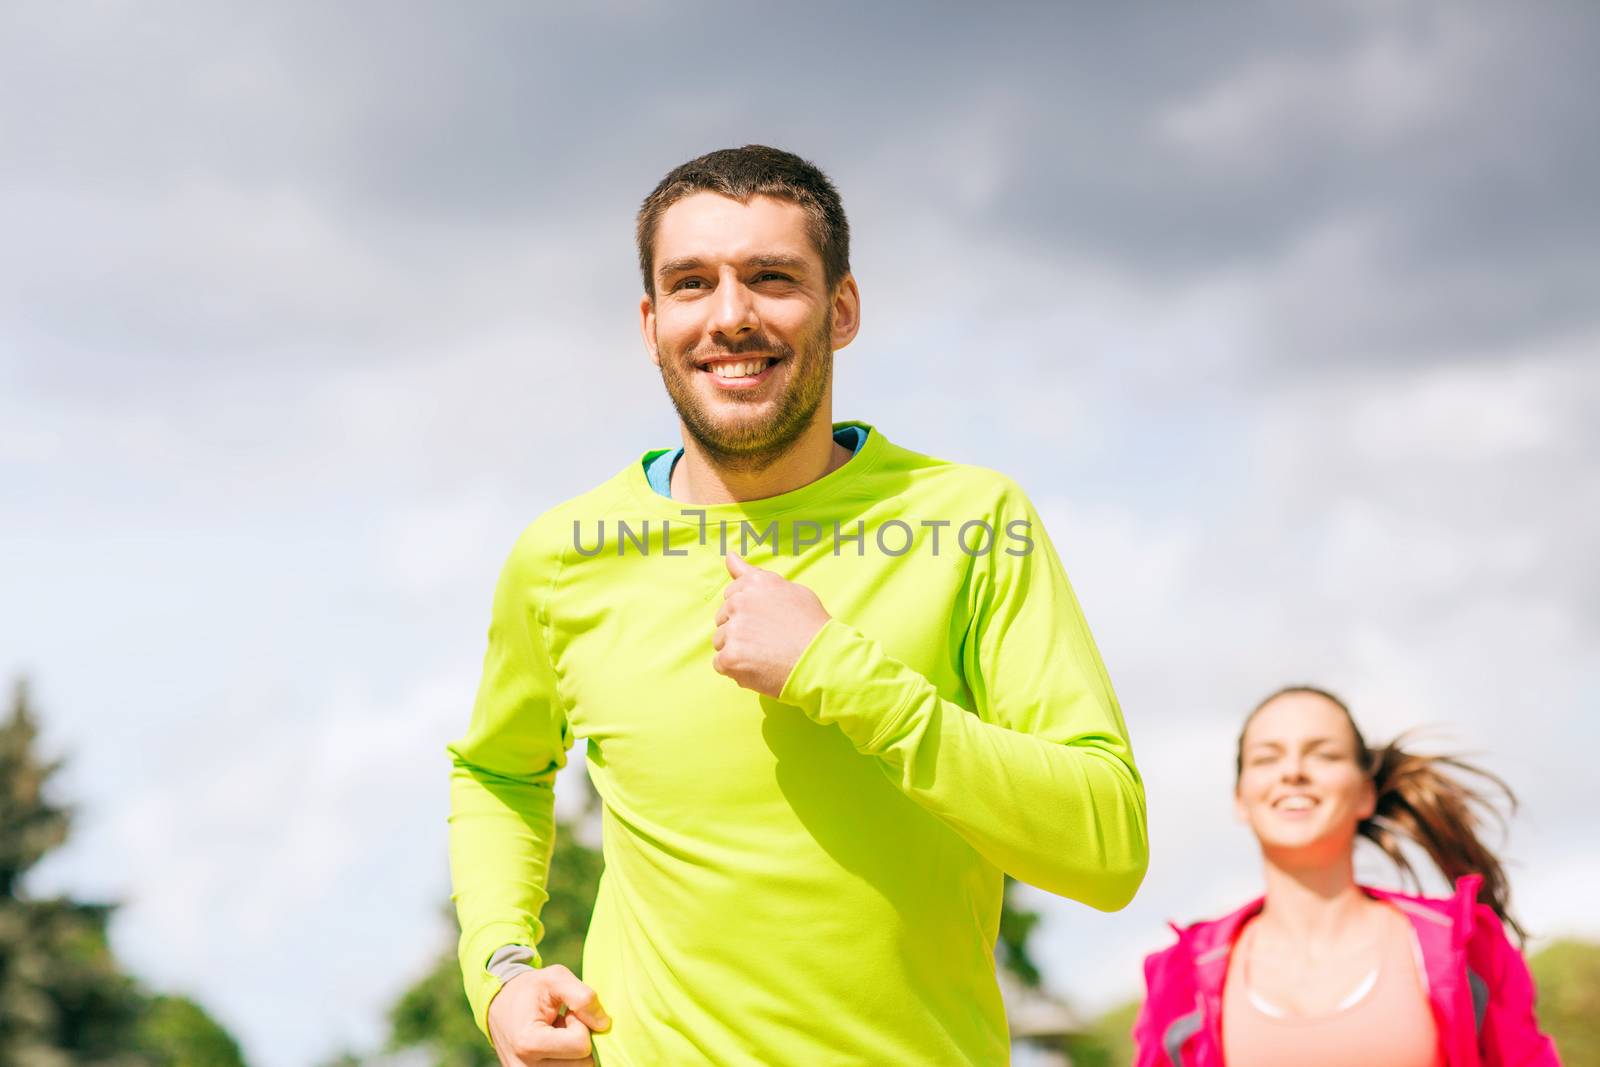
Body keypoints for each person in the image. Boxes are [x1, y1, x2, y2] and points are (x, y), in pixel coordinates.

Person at [447, 145, 1149, 1066]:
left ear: (842, 309)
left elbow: (1105, 847)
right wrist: (501, 969)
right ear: (652, 321)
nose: (731, 316)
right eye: (693, 284)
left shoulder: (972, 520)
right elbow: (498, 771)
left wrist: (840, 674)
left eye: (772, 278)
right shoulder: (562, 555)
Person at [1135, 685, 1560, 1067]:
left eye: (1324, 754)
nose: (1293, 771)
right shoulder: (1183, 973)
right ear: (1240, 799)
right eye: (1266, 758)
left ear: (1365, 794)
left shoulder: (1463, 945)